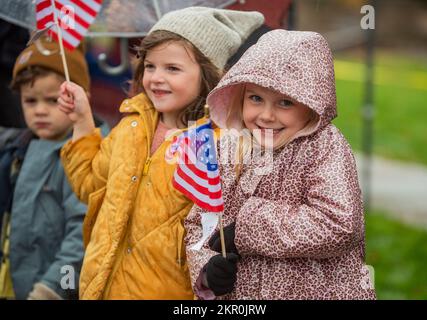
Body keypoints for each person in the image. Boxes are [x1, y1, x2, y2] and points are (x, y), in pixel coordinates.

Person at [57, 7, 264, 299]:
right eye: (150, 66)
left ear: (208, 74)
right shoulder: (132, 125)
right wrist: (81, 120)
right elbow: (89, 186)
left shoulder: (219, 143)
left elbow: (220, 232)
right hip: (103, 289)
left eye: (173, 68)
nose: (155, 77)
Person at [184, 30, 377, 300]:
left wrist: (247, 228)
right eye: (255, 98)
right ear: (240, 95)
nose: (266, 115)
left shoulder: (324, 147)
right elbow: (199, 221)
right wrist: (207, 268)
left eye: (285, 102)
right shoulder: (230, 145)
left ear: (311, 103)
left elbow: (340, 225)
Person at [0, 35, 108, 300]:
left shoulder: (87, 157)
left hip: (48, 289)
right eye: (30, 101)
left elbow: (81, 238)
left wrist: (54, 289)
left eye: (52, 100)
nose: (40, 111)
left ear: (81, 99)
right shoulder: (15, 148)